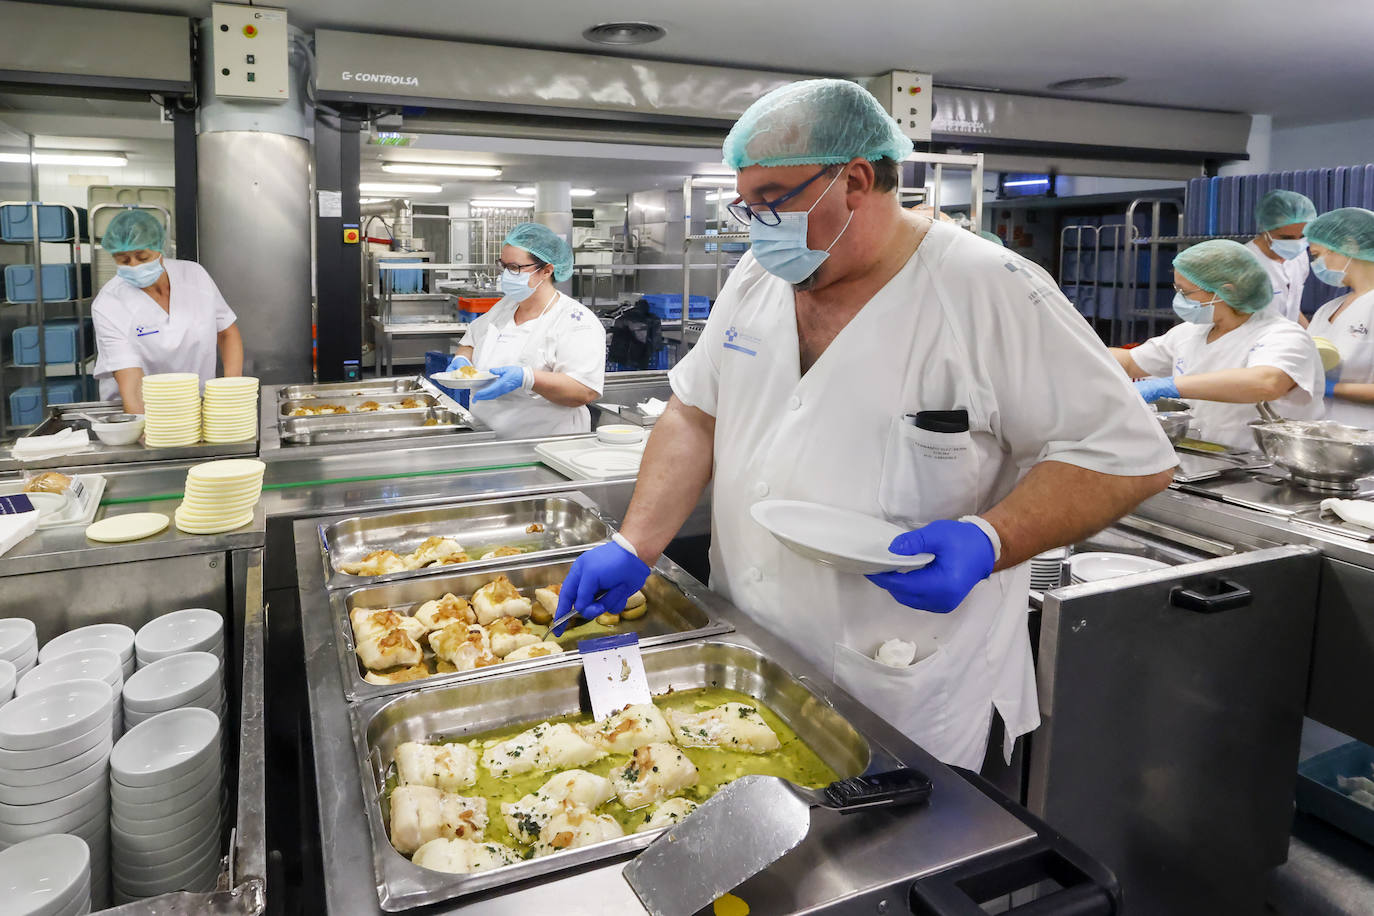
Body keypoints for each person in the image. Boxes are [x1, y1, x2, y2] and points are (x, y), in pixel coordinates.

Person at [551, 79, 1177, 770]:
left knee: (885, 862)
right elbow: (695, 412)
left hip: (899, 676)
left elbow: (1126, 455)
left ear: (853, 180)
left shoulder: (988, 289)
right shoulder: (757, 279)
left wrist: (990, 539)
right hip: (748, 656)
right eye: (747, 205)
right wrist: (637, 544)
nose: (759, 226)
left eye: (774, 201)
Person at [1111, 239, 1325, 449]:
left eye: (1185, 292)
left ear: (1227, 291)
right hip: (1208, 457)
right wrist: (1081, 352)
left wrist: (1170, 386)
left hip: (1261, 465)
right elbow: (1130, 361)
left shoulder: (1282, 334)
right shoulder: (1191, 331)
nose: (1180, 299)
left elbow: (1266, 382)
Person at [447, 223, 604, 438]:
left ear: (547, 270)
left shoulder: (575, 320)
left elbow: (584, 391)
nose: (505, 275)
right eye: (503, 266)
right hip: (487, 438)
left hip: (546, 445)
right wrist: (462, 362)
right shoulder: (505, 306)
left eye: (515, 268)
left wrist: (528, 378)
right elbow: (470, 341)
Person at [91, 209, 242, 413]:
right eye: (123, 260)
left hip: (199, 405)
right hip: (143, 410)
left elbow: (227, 333)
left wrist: (230, 392)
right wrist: (145, 428)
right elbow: (131, 381)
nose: (134, 266)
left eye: (142, 257)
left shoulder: (194, 276)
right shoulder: (109, 304)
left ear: (159, 251)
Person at [1304, 207, 1374, 426]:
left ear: (1348, 246)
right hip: (1325, 434)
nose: (1315, 264)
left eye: (1316, 255)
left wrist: (1329, 388)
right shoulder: (1328, 309)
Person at [1246, 189, 1317, 326]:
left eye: (1302, 236)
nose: (1296, 243)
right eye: (1286, 238)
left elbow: (1291, 307)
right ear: (1265, 229)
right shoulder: (1245, 261)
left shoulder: (1299, 256)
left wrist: (1311, 336)